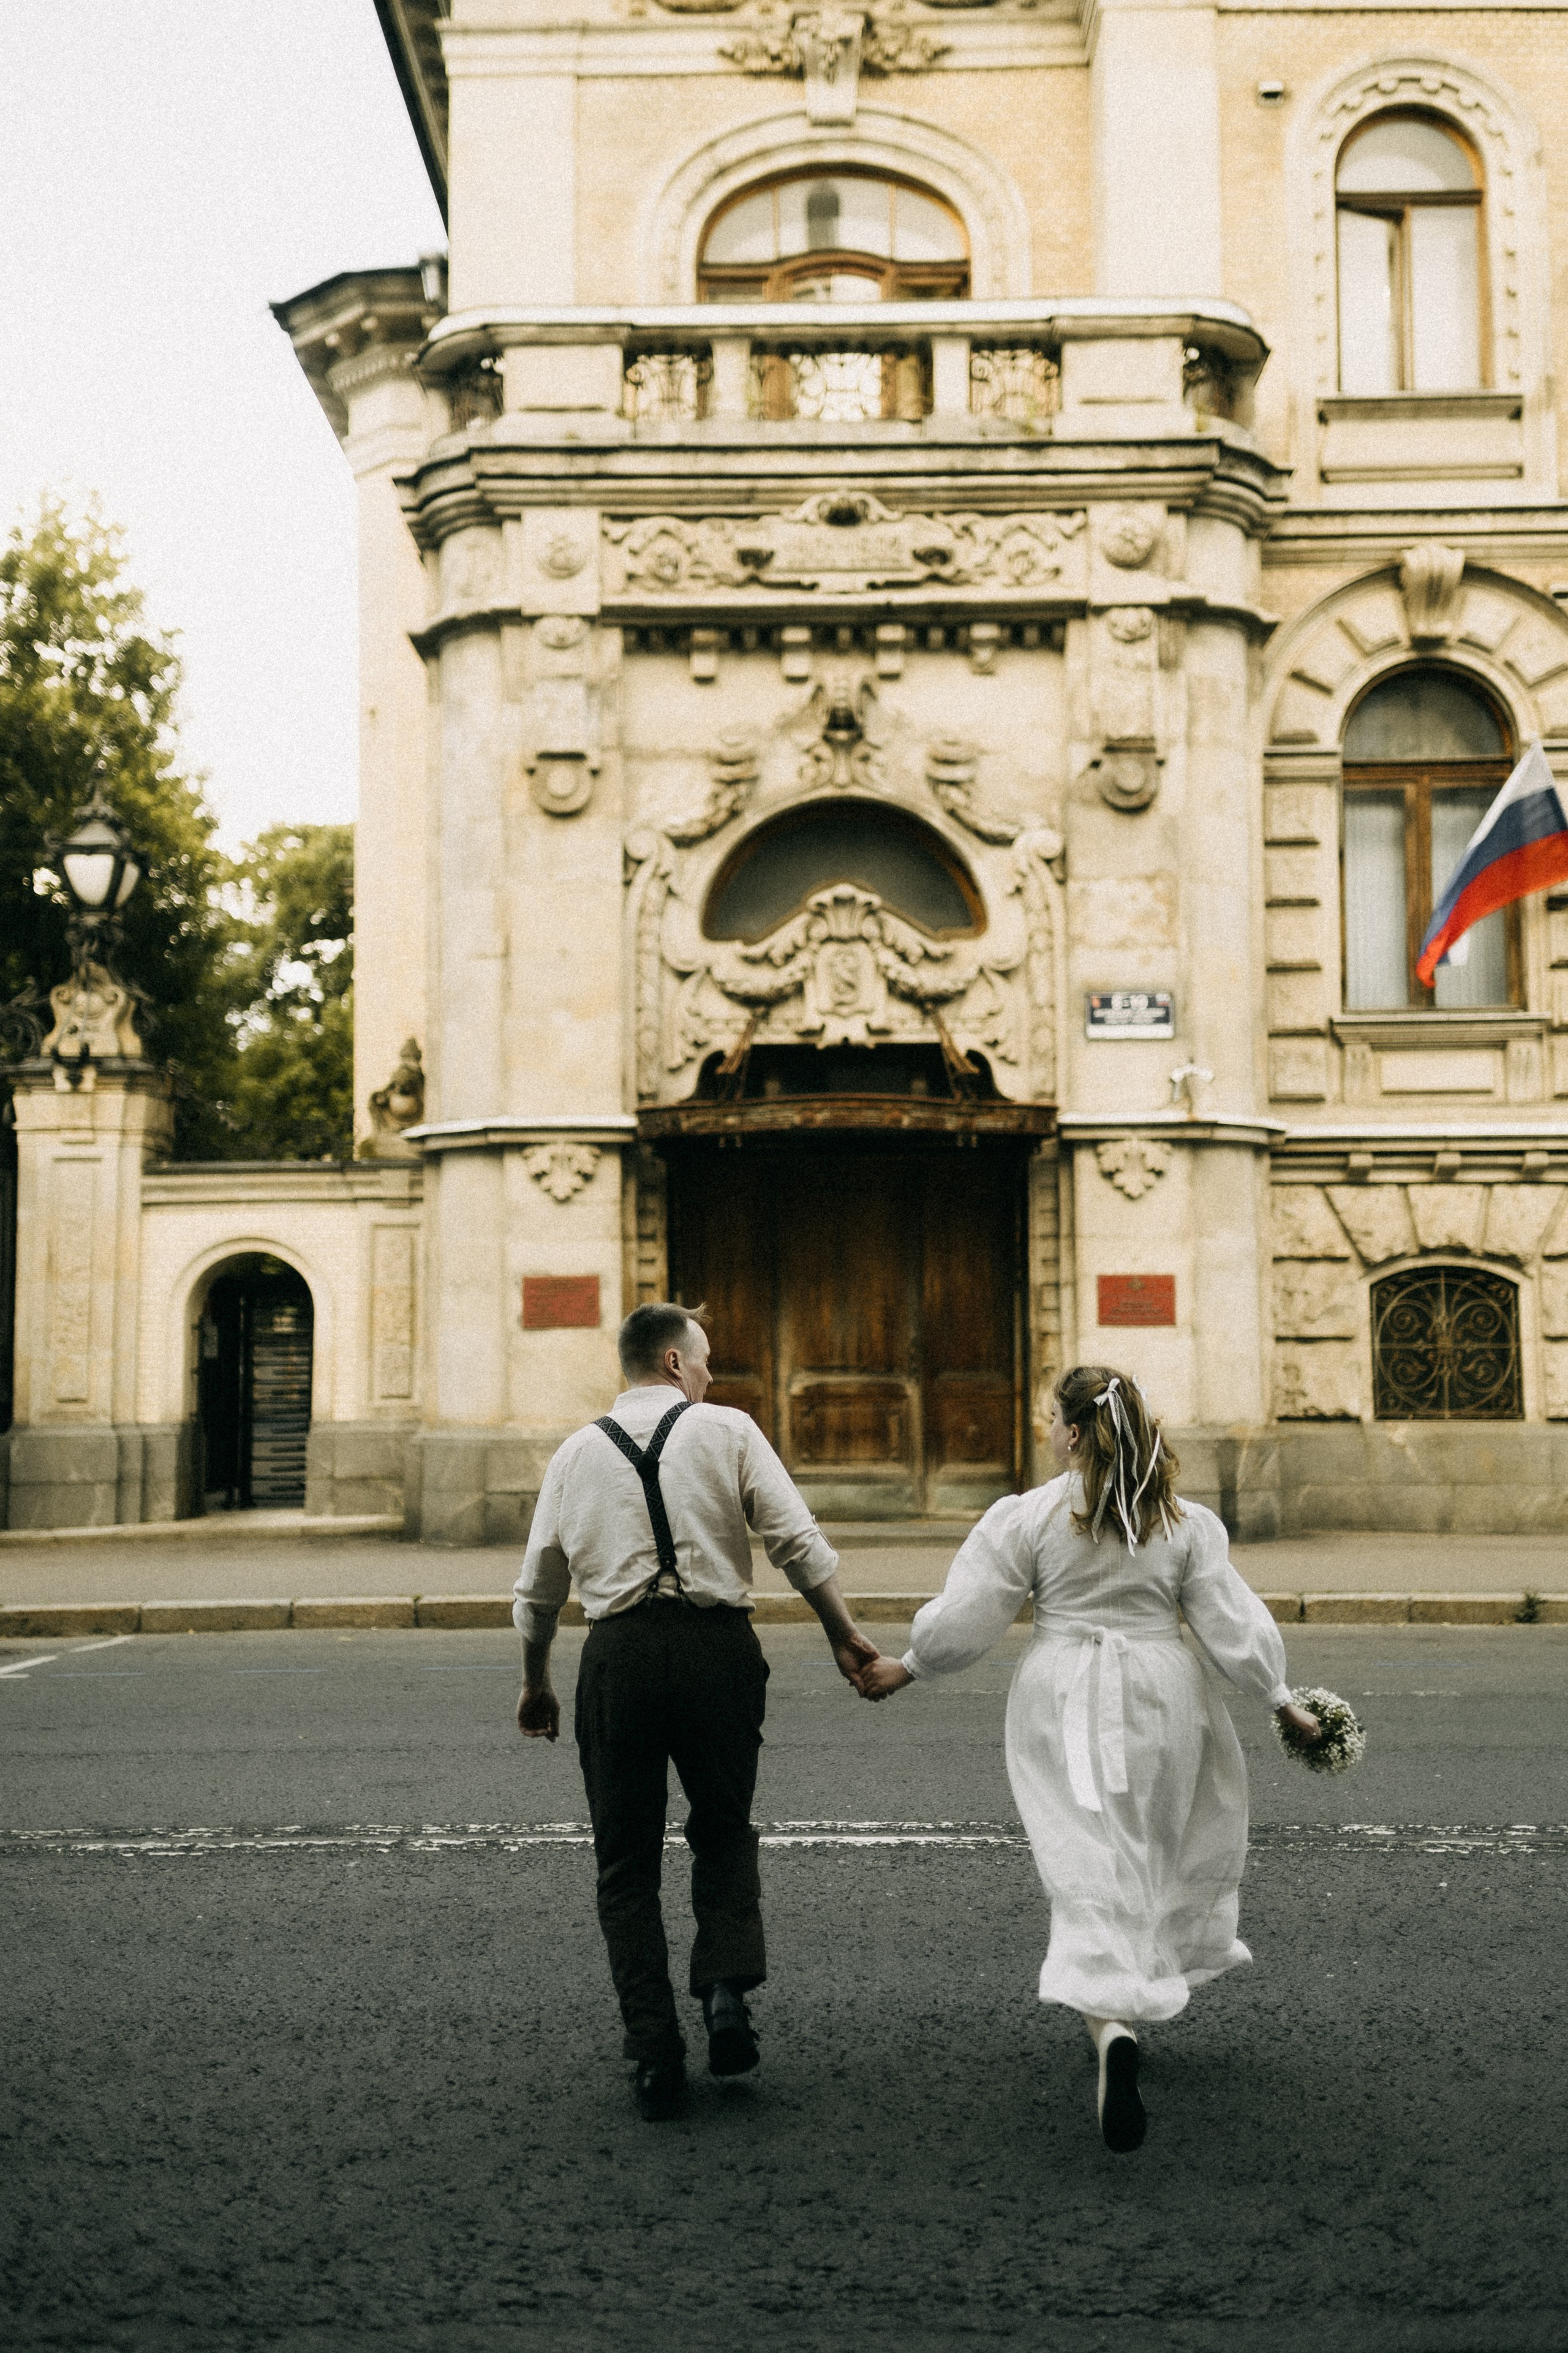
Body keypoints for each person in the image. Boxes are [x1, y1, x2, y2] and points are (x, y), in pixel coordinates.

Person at [856, 1362, 1322, 2154]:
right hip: (1164, 1694)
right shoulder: (1177, 1519)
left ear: (1072, 1431)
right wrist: (1280, 1697)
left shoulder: (1033, 1516)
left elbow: (974, 1610)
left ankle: (1110, 2025)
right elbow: (1228, 1621)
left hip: (1063, 1693)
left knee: (1085, 1854)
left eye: (1050, 1418)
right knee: (1148, 1844)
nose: (1047, 1430)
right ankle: (1125, 2000)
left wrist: (911, 1665)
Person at [513, 1301, 877, 2122]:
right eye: (705, 1359)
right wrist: (843, 1633)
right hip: (719, 1652)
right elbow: (795, 1540)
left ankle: (654, 2054)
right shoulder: (728, 1431)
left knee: (626, 1865)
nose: (711, 1373)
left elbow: (538, 1591)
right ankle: (725, 1994)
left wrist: (536, 1680)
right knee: (722, 1828)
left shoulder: (574, 1453)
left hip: (621, 1659)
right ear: (675, 1363)